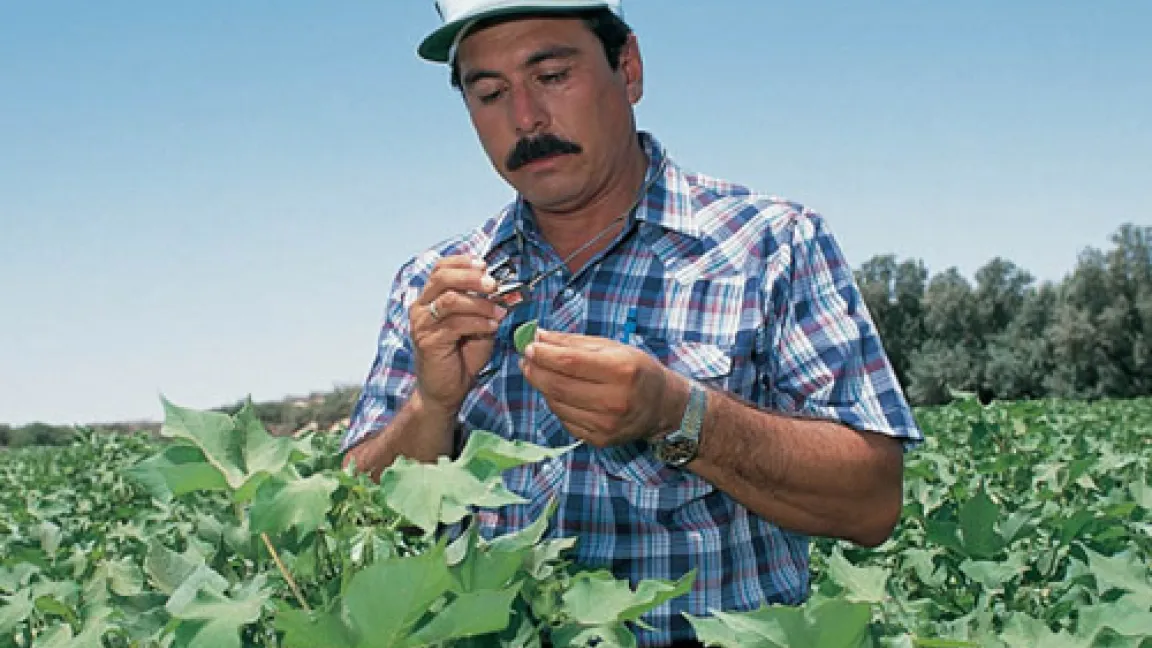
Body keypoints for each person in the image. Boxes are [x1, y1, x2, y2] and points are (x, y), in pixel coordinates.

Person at [341, 1, 922, 645]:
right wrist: (432, 404)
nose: (525, 118)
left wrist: (676, 413)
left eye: (552, 75)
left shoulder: (770, 245)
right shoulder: (435, 288)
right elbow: (356, 527)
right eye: (490, 93)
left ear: (630, 69)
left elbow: (870, 502)